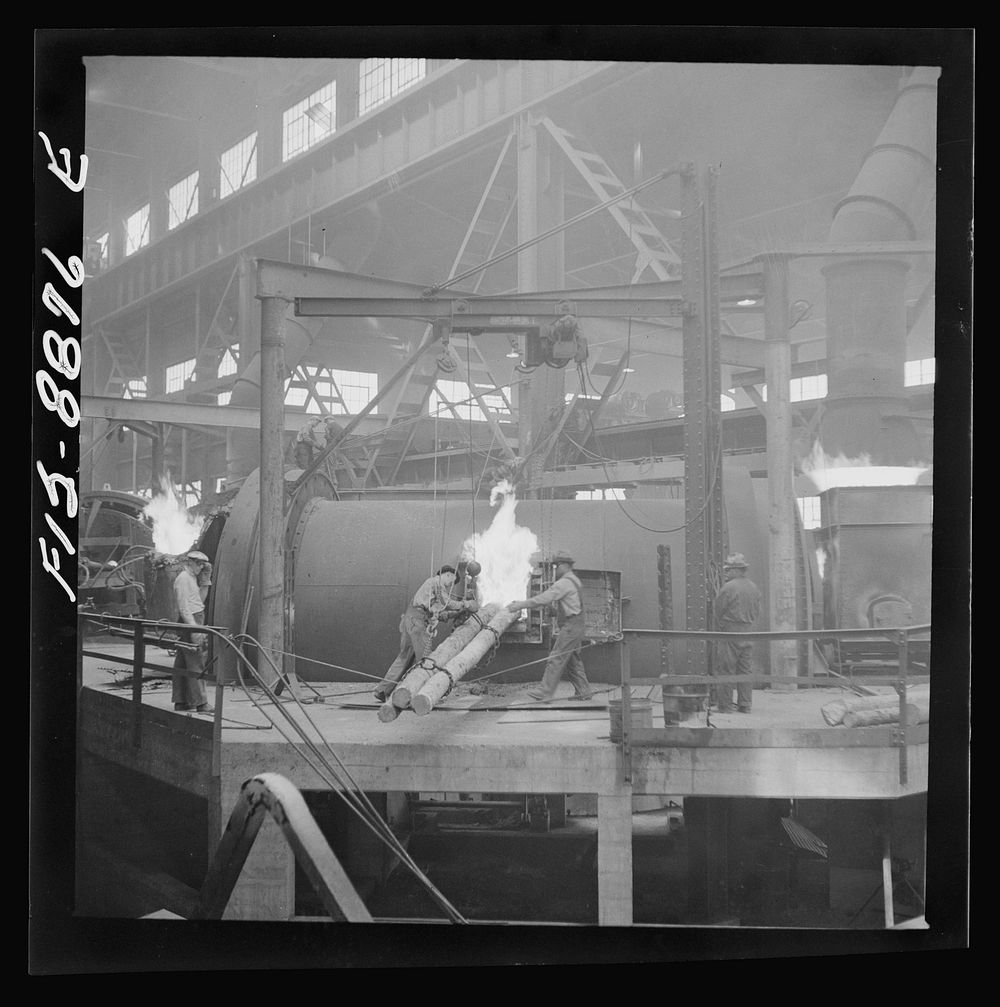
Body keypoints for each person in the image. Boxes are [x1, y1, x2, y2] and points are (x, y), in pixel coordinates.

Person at [374, 565, 478, 702]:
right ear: (448, 574)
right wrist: (467, 604)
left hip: (410, 619)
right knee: (426, 659)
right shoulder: (436, 582)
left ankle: (382, 690)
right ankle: (422, 693)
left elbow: (439, 614)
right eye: (451, 582)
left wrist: (457, 613)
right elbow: (446, 602)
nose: (450, 586)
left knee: (404, 657)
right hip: (417, 621)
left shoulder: (430, 591)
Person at [507, 552, 594, 702]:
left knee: (556, 658)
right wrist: (555, 611)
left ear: (563, 565)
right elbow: (572, 604)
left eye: (556, 566)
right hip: (578, 625)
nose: (555, 569)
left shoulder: (564, 582)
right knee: (573, 661)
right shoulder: (575, 580)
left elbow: (541, 599)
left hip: (571, 627)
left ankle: (545, 691)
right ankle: (584, 691)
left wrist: (519, 605)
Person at [712, 553, 762, 713]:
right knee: (745, 669)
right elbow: (757, 611)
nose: (726, 573)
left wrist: (723, 625)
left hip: (731, 632)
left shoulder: (728, 587)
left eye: (728, 570)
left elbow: (718, 611)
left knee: (726, 669)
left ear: (737, 570)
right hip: (749, 632)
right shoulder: (753, 587)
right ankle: (745, 705)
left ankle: (725, 706)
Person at [172, 550, 213, 714]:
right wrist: (194, 628)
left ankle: (181, 701)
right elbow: (184, 607)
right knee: (196, 661)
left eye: (203, 564)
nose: (200, 567)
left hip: (195, 617)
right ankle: (201, 703)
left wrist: (206, 581)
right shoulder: (182, 579)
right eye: (198, 563)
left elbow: (199, 601)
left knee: (183, 661)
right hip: (191, 620)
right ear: (189, 562)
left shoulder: (191, 578)